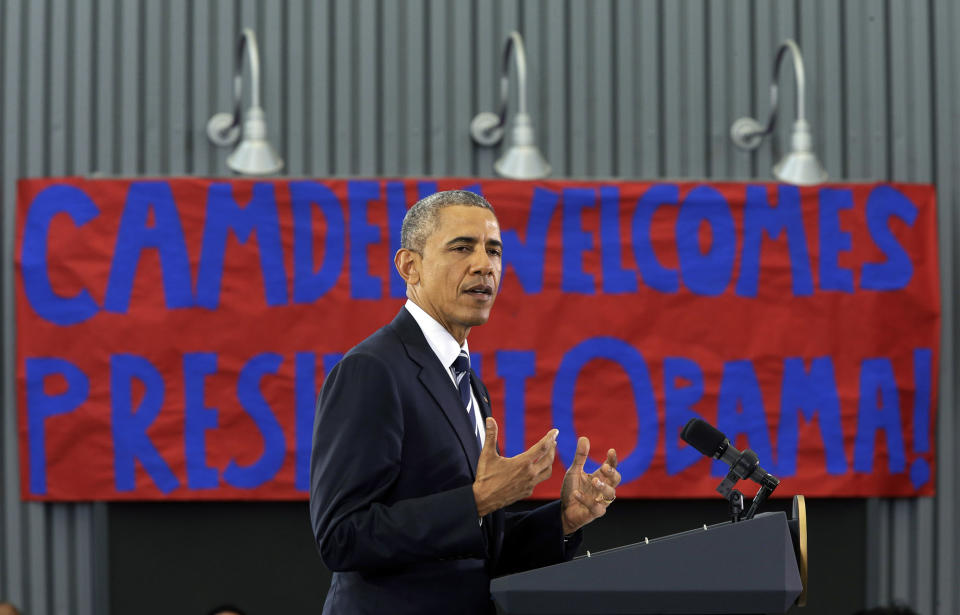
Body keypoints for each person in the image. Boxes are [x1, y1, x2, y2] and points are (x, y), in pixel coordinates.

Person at [310, 190, 621, 614]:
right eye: (462, 248)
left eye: (494, 250)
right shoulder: (373, 369)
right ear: (409, 266)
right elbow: (342, 536)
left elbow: (475, 549)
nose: (484, 265)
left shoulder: (466, 379)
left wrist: (563, 519)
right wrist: (477, 500)